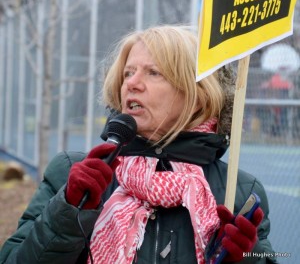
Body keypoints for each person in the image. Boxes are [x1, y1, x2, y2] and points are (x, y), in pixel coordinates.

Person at [0, 25, 277, 264]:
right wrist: (68, 211)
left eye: (153, 73)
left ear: (198, 97)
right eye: (128, 73)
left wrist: (247, 258)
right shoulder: (73, 173)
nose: (131, 83)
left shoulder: (239, 191)